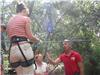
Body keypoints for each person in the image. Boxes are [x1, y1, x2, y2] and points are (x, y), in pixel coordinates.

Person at [6, 3, 41, 75]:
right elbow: (30, 37)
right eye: (27, 13)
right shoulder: (25, 19)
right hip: (24, 50)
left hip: (13, 50)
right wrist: (37, 40)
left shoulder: (9, 21)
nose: (27, 15)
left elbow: (10, 37)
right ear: (24, 10)